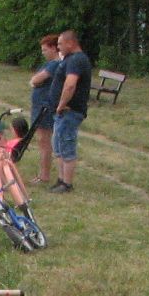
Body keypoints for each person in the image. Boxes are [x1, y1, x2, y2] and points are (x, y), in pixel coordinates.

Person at [49, 29, 92, 194]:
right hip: (62, 113)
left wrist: (61, 104)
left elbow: (70, 85)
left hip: (70, 111)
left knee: (66, 145)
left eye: (60, 44)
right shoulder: (69, 59)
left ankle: (67, 184)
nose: (58, 47)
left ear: (70, 43)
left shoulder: (77, 60)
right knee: (58, 145)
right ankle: (61, 180)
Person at [27, 34, 63, 184]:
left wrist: (34, 82)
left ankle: (44, 175)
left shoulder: (54, 64)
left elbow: (36, 79)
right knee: (42, 141)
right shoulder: (49, 64)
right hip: (40, 106)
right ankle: (43, 174)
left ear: (54, 48)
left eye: (45, 50)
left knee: (44, 141)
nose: (43, 53)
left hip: (45, 107)